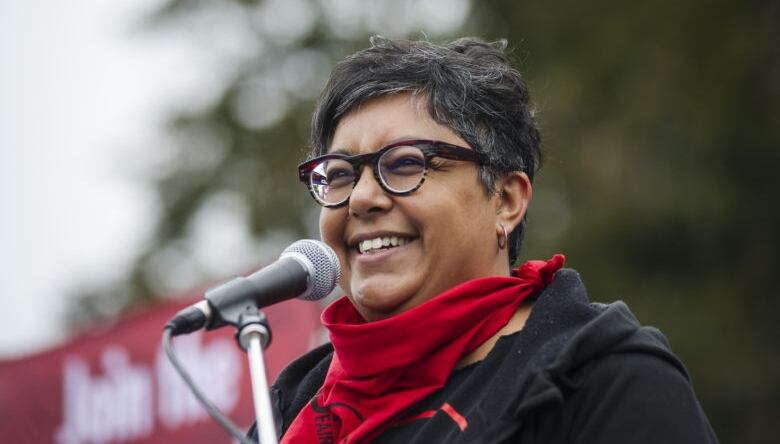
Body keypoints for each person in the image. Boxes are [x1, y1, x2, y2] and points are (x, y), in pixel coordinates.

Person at [251, 37, 719, 443]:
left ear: (506, 200)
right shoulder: (290, 406)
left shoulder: (602, 381)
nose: (362, 198)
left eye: (407, 164)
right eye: (338, 174)